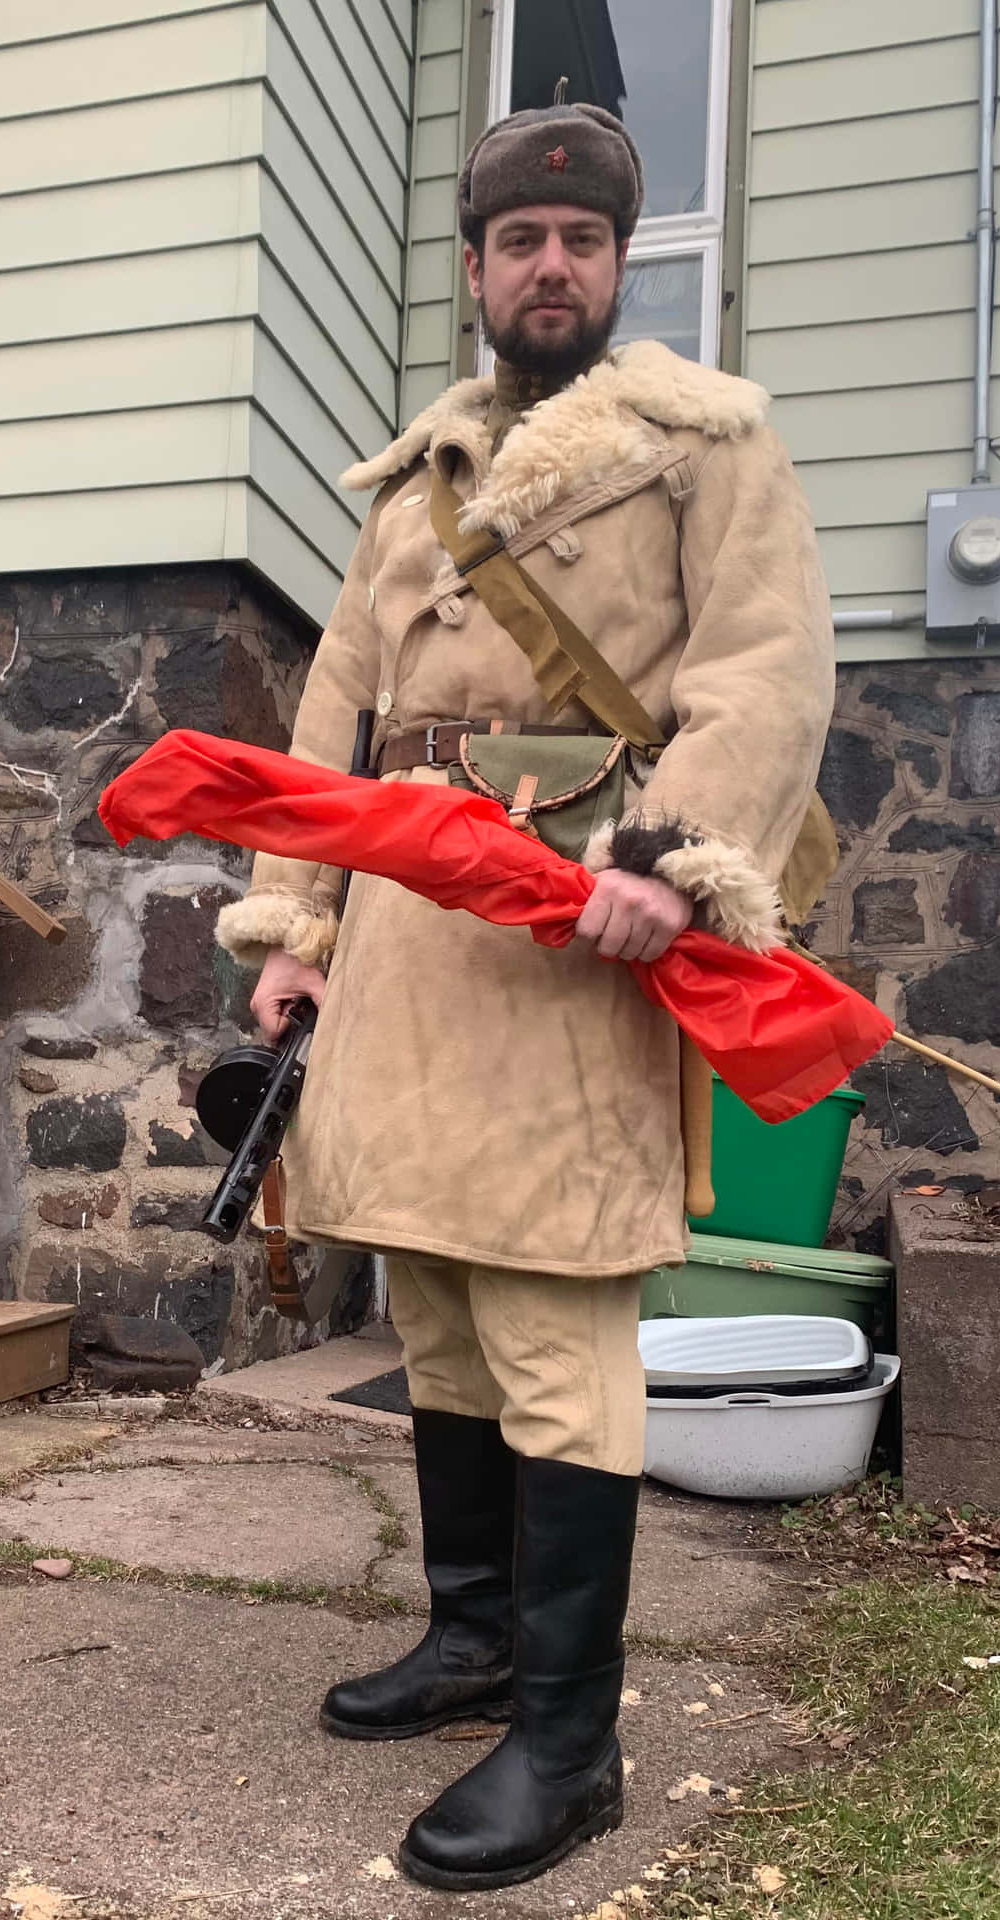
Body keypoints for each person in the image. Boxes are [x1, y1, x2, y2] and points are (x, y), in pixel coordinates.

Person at [216, 100, 835, 1892]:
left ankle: (571, 1745)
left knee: (559, 1321)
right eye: (516, 239)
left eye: (577, 238)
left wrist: (677, 855)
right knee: (436, 1306)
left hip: (582, 924)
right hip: (409, 933)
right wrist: (295, 930)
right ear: (476, 266)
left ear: (616, 262)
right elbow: (336, 709)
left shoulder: (702, 445)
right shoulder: (418, 480)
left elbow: (764, 664)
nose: (546, 264)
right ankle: (475, 1637)